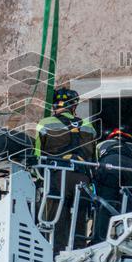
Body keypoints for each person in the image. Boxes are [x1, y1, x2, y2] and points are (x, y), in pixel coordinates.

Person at [34, 88, 98, 252]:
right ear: (74, 106)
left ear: (54, 105)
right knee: (79, 222)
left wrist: (37, 178)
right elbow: (94, 159)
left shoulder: (45, 123)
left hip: (57, 177)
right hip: (82, 180)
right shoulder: (89, 127)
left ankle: (56, 257)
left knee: (55, 222)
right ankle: (78, 258)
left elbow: (37, 156)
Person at [91, 127, 132, 244]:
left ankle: (99, 240)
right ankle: (129, 241)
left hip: (109, 169)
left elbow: (93, 165)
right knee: (130, 207)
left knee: (105, 204)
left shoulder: (101, 145)